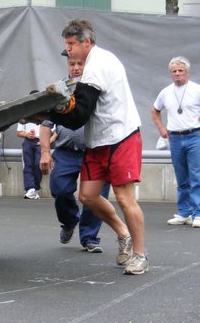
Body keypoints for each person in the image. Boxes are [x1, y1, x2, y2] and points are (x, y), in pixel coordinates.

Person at [42, 19, 148, 275]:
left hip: (121, 137)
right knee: (87, 196)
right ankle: (123, 234)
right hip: (98, 140)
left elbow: (78, 117)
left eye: (71, 44)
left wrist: (44, 112)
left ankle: (141, 255)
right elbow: (75, 113)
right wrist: (44, 113)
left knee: (124, 197)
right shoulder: (90, 64)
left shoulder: (97, 65)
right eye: (66, 44)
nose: (68, 50)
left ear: (86, 42)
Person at [40, 50, 110, 253]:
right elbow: (45, 124)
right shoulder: (59, 91)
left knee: (95, 196)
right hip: (66, 151)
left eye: (80, 63)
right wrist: (45, 152)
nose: (76, 67)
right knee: (59, 189)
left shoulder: (98, 87)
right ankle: (70, 221)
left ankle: (89, 237)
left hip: (94, 151)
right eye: (72, 64)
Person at [151, 56, 200, 228]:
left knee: (196, 175)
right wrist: (161, 129)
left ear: (187, 72)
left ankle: (198, 213)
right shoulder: (165, 92)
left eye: (180, 70)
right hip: (175, 138)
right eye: (174, 71)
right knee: (181, 177)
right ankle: (184, 213)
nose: (177, 74)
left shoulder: (196, 89)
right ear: (171, 73)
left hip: (194, 136)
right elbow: (155, 110)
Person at [17, 92, 43, 199]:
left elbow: (53, 131)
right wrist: (26, 134)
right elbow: (19, 132)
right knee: (27, 165)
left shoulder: (45, 113)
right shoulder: (25, 113)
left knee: (38, 165)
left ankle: (35, 188)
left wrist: (46, 141)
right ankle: (30, 188)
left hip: (40, 142)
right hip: (27, 141)